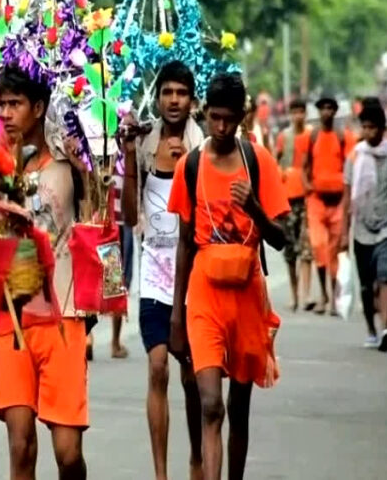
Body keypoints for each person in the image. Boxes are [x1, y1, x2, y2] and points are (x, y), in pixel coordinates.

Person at [168, 73, 288, 480]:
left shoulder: (259, 161)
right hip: (203, 296)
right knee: (211, 405)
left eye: (229, 120)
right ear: (204, 113)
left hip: (247, 296)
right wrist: (175, 315)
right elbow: (185, 242)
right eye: (215, 118)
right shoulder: (192, 164)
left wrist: (254, 208)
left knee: (239, 408)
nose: (221, 128)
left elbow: (282, 239)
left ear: (242, 117)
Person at [0, 66, 88, 480]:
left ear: (39, 108)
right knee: (20, 445)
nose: (7, 113)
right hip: (11, 319)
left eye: (16, 104)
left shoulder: (69, 166)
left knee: (67, 454)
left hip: (64, 315)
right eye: (2, 104)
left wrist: (100, 301)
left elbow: (98, 230)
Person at [121, 61, 205, 480]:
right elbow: (129, 214)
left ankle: (195, 457)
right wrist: (127, 154)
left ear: (192, 99)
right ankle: (161, 473)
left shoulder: (202, 145)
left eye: (182, 93)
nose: (174, 100)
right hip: (153, 276)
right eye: (167, 92)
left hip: (191, 281)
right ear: (157, 97)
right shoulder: (143, 141)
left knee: (192, 379)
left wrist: (186, 164)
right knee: (157, 368)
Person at [340, 99, 387, 351]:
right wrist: (344, 232)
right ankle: (371, 328)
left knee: (386, 274)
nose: (369, 132)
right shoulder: (354, 157)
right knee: (367, 286)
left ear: (382, 128)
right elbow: (347, 196)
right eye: (365, 127)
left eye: (373, 127)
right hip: (362, 229)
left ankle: (386, 327)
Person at [302, 96, 355, 314]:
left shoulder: (343, 137)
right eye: (323, 108)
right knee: (319, 247)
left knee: (335, 252)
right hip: (316, 200)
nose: (326, 112)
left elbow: (350, 168)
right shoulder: (312, 136)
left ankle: (334, 298)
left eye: (330, 108)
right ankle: (323, 294)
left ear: (335, 112)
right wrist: (307, 187)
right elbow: (305, 166)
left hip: (338, 201)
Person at [274, 98, 311, 312]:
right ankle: (294, 293)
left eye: (301, 111)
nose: (298, 115)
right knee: (290, 251)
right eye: (295, 112)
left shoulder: (310, 135)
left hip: (305, 198)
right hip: (287, 198)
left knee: (306, 248)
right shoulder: (284, 137)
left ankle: (306, 294)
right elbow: (276, 160)